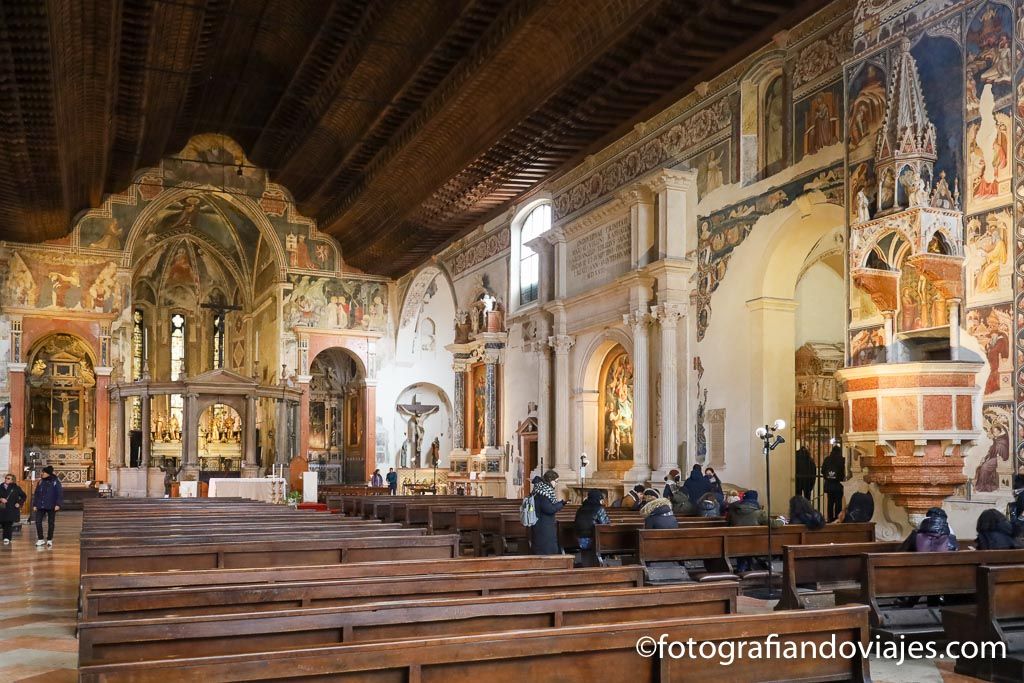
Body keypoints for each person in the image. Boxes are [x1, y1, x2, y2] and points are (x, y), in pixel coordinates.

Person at [530, 470, 565, 555]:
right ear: (550, 480)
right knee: (545, 551)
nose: (556, 484)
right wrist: (561, 504)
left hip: (541, 524)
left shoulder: (540, 489)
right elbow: (549, 509)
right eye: (556, 481)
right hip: (543, 526)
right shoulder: (544, 492)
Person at [574, 489, 610, 567]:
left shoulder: (580, 509)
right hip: (594, 541)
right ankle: (601, 563)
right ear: (598, 499)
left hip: (580, 540)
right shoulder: (599, 509)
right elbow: (606, 525)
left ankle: (587, 564)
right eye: (601, 499)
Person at [32, 466, 63, 548]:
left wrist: (58, 504)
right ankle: (40, 539)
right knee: (38, 521)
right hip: (40, 505)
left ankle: (49, 539)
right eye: (42, 472)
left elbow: (59, 493)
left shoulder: (55, 481)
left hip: (51, 505)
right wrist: (35, 504)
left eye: (44, 472)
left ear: (48, 473)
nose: (42, 473)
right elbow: (36, 494)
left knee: (51, 523)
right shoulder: (40, 481)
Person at [820, 445, 846, 522]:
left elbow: (822, 471)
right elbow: (843, 473)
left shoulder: (827, 459)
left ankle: (830, 518)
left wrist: (828, 477)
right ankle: (838, 519)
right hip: (838, 484)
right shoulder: (842, 460)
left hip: (829, 485)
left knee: (830, 503)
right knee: (838, 503)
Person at [1, 473, 27, 545]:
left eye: (9, 478)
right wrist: (1, 499)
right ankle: (5, 537)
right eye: (6, 478)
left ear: (13, 480)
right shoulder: (0, 487)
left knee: (8, 523)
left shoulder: (16, 488)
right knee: (3, 523)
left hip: (11, 509)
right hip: (2, 508)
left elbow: (24, 496)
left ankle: (7, 538)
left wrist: (19, 503)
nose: (6, 479)